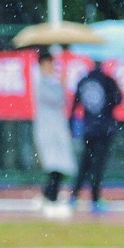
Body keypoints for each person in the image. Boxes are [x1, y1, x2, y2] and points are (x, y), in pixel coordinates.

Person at [70, 58, 123, 213]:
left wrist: (72, 125)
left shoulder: (84, 80)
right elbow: (118, 99)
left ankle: (75, 195)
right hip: (104, 129)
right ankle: (94, 199)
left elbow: (75, 104)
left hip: (89, 128)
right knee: (98, 166)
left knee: (85, 164)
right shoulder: (108, 80)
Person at [30, 45, 77, 218]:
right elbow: (57, 99)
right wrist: (62, 85)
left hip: (56, 129)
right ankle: (50, 197)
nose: (51, 68)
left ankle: (50, 196)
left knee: (59, 165)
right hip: (47, 130)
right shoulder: (40, 82)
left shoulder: (50, 82)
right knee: (54, 164)